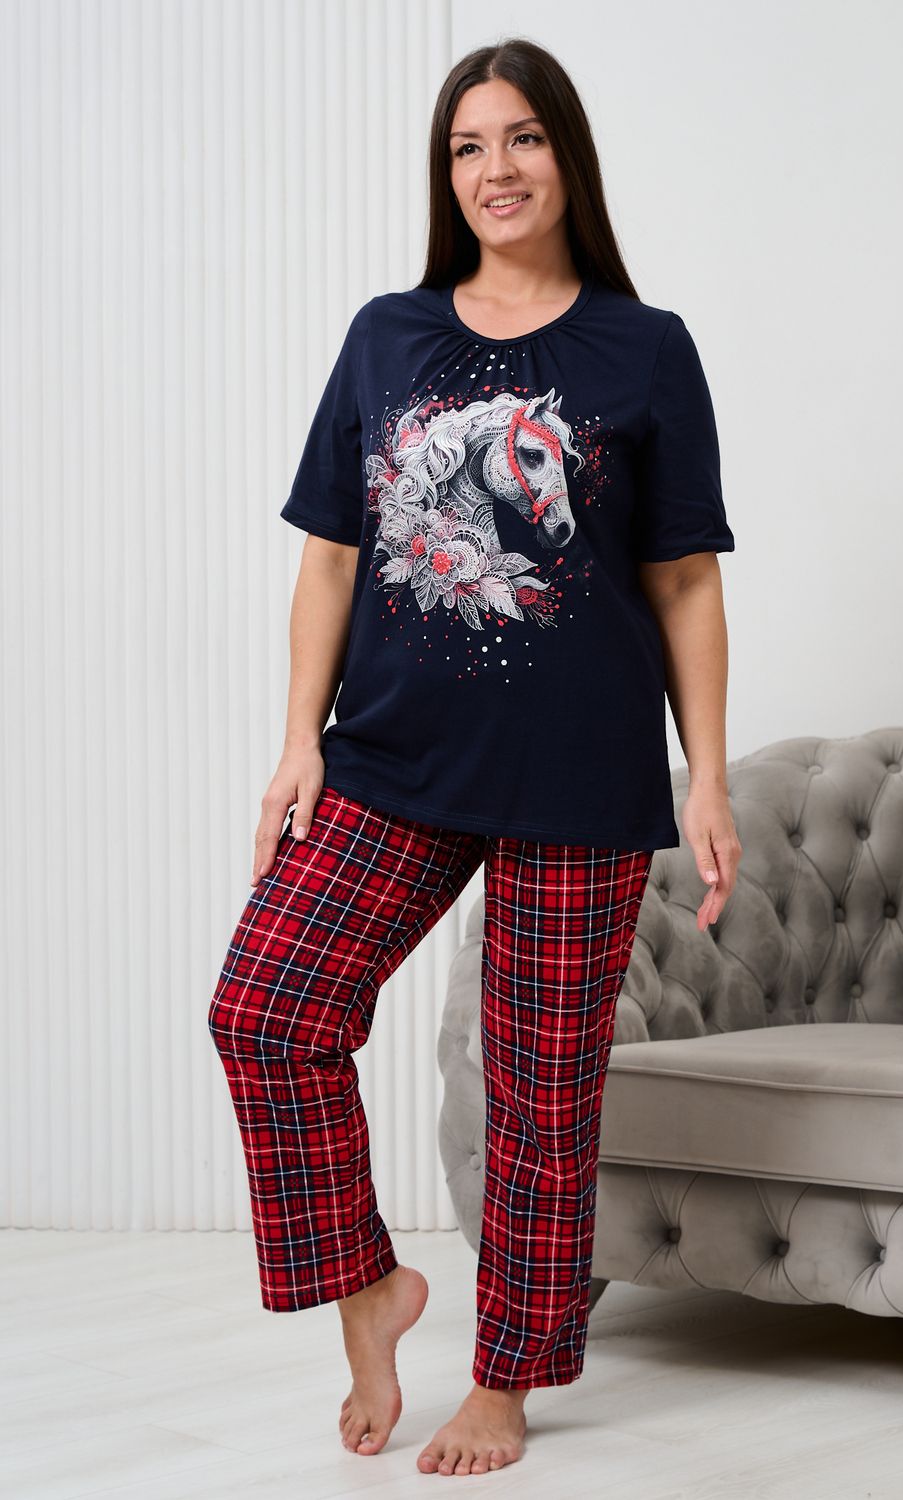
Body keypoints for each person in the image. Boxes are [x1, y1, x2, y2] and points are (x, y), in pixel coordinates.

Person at [208, 34, 742, 1480]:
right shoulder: (388, 334)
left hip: (579, 766)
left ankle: (508, 1379)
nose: (494, 169)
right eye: (467, 147)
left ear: (566, 155)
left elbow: (685, 577)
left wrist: (705, 775)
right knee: (267, 1009)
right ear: (446, 175)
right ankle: (369, 1287)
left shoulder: (644, 347)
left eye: (521, 139)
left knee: (542, 1088)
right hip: (391, 755)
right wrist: (297, 745)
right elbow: (333, 554)